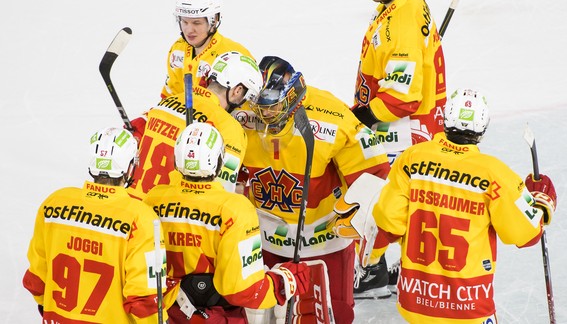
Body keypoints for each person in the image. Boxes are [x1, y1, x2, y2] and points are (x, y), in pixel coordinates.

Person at [367, 88, 558, 323]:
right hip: (468, 307)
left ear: (445, 120)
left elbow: (388, 222)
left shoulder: (412, 158)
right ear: (483, 129)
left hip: (414, 300)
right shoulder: (495, 174)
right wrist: (540, 202)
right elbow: (526, 234)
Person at [233, 56, 391, 324]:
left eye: (274, 107)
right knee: (263, 316)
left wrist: (357, 222)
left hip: (325, 243)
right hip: (264, 242)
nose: (267, 115)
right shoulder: (241, 112)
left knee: (335, 314)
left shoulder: (332, 116)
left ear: (293, 95)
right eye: (262, 107)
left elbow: (374, 176)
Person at [351, 0, 447, 299]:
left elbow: (402, 97)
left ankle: (374, 269)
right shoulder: (408, 3)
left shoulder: (402, 21)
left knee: (378, 196)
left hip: (402, 130)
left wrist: (360, 118)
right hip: (414, 126)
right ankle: (405, 266)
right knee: (405, 198)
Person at [143, 122, 311, 323]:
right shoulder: (234, 208)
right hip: (214, 316)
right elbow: (243, 290)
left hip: (166, 313)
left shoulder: (153, 199)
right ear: (219, 160)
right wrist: (284, 281)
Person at [23, 127, 167, 323]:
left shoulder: (55, 203)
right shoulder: (140, 218)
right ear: (130, 167)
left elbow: (37, 280)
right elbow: (144, 300)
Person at [128, 51, 263, 200]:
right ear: (237, 91)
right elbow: (223, 190)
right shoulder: (228, 127)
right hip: (170, 216)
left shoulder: (166, 103)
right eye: (246, 98)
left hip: (131, 210)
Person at [161, 0, 254, 99]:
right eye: (184, 22)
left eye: (196, 23)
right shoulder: (178, 49)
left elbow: (246, 108)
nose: (189, 30)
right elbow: (170, 97)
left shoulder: (235, 54)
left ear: (214, 21)